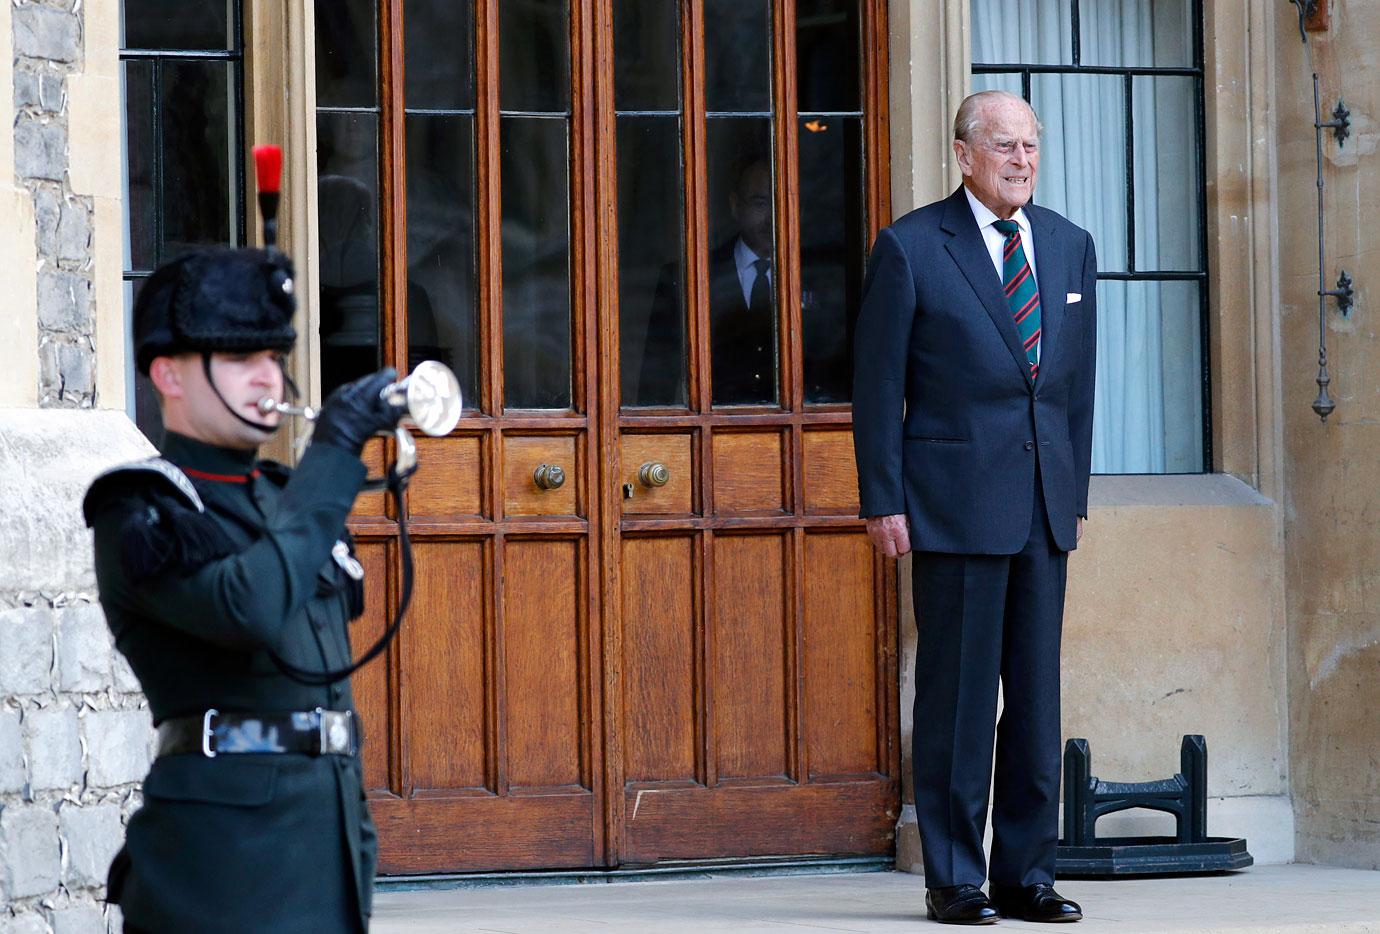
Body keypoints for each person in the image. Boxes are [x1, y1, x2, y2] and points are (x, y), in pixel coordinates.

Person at [83, 246, 407, 932]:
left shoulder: (285, 496)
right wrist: (333, 451)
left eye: (273, 358)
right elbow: (250, 610)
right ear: (167, 374)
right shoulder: (142, 509)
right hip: (221, 865)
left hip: (327, 842)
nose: (267, 378)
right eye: (238, 360)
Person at [852, 90, 1096, 925]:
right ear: (963, 154)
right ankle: (954, 877)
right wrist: (883, 499)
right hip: (953, 506)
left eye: (1031, 145)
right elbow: (879, 388)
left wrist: (1075, 489)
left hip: (1042, 509)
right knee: (958, 701)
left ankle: (1026, 876)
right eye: (1003, 145)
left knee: (1034, 698)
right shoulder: (913, 247)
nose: (1022, 160)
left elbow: (1075, 391)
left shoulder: (1069, 246)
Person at [638, 154, 779, 407]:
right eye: (760, 204)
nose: (772, 217)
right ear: (736, 205)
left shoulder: (820, 275)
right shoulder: (686, 279)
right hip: (713, 434)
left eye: (782, 204)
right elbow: (656, 379)